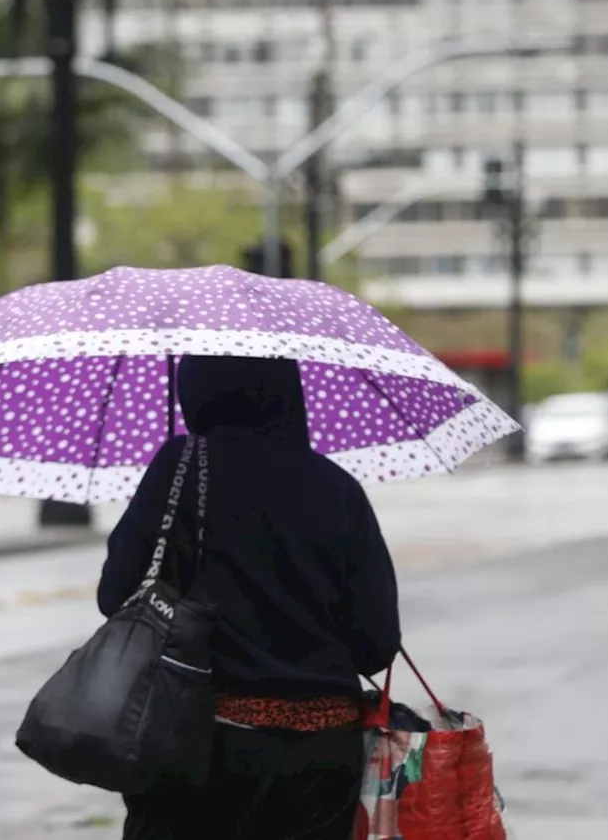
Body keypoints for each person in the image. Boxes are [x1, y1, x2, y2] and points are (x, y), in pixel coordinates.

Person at [98, 354, 401, 840]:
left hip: (197, 744)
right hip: (319, 758)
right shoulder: (338, 488)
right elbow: (377, 643)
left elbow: (115, 596)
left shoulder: (180, 468)